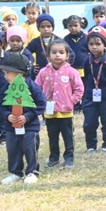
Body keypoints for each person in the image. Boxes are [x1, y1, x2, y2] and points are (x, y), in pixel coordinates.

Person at [0, 53, 46, 185]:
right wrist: (7, 115)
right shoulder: (6, 88)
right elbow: (0, 106)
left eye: (7, 73)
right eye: (4, 73)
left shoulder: (32, 87)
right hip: (11, 127)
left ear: (20, 73)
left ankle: (32, 171)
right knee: (12, 149)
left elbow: (41, 104)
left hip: (30, 127)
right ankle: (15, 172)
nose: (5, 77)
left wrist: (28, 116)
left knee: (30, 148)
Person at [36, 41, 84, 169]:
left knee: (68, 136)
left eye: (61, 52)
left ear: (67, 55)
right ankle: (54, 157)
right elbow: (37, 88)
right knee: (52, 136)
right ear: (48, 55)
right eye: (54, 52)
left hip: (66, 112)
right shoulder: (43, 72)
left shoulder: (72, 72)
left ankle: (69, 158)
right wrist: (41, 102)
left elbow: (79, 88)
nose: (58, 55)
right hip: (49, 112)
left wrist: (71, 101)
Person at [82, 28, 106, 153]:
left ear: (105, 44)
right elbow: (86, 78)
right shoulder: (87, 61)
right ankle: (91, 145)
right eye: (91, 44)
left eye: (98, 44)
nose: (94, 47)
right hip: (90, 96)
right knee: (89, 123)